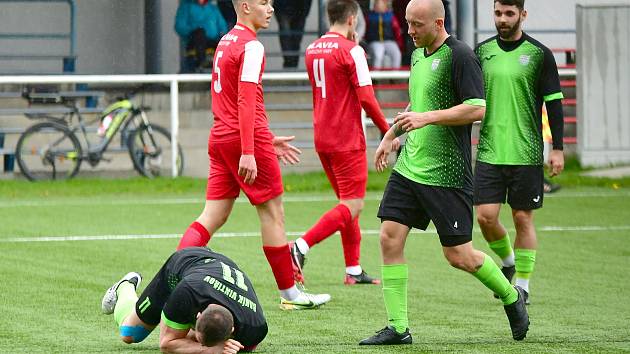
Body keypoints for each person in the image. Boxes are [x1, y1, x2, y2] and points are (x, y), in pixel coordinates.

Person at [359, 0, 529, 345]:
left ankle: (512, 297)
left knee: (458, 256)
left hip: (446, 175)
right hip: (410, 167)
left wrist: (427, 118)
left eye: (416, 25)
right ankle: (398, 327)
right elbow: (416, 105)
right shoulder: (418, 54)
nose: (409, 32)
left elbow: (477, 108)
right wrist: (391, 137)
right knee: (389, 237)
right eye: (407, 23)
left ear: (438, 23)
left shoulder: (461, 55)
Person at [176, 0, 331, 311]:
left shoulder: (225, 40)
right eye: (264, 2)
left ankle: (173, 276)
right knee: (274, 215)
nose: (271, 8)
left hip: (221, 136)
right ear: (245, 6)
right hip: (244, 141)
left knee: (213, 215)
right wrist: (250, 148)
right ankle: (291, 295)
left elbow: (229, 97)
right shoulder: (252, 45)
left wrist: (261, 139)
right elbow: (246, 99)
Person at [292, 0, 400, 286]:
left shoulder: (312, 49)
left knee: (346, 204)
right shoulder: (352, 51)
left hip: (322, 136)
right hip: (346, 136)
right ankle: (300, 247)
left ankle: (353, 270)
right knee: (352, 205)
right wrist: (388, 132)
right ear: (352, 19)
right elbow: (366, 97)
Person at [474, 0, 565, 305]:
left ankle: (523, 286)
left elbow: (554, 103)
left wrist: (559, 150)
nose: (502, 19)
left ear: (522, 15)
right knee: (485, 218)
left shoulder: (540, 55)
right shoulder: (481, 52)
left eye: (509, 13)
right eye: (498, 13)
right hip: (489, 151)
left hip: (526, 153)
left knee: (522, 218)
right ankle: (509, 261)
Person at [101, 247, 266, 353]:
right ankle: (125, 286)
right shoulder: (186, 294)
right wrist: (211, 350)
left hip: (218, 270)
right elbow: (166, 344)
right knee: (130, 334)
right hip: (184, 265)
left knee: (192, 339)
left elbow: (245, 348)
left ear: (232, 330)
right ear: (198, 315)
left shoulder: (255, 327)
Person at [175, 0, 229, 73]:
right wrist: (194, 31)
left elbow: (223, 27)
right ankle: (202, 63)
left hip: (212, 43)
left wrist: (222, 35)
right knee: (199, 34)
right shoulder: (186, 6)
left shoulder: (212, 8)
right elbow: (180, 26)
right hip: (194, 43)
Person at [274, 0, 313, 68]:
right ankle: (290, 65)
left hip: (300, 9)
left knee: (296, 39)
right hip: (283, 8)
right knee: (286, 36)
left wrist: (306, 11)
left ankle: (292, 65)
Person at [365, 0, 403, 69]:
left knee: (396, 53)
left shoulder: (390, 16)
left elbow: (397, 31)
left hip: (389, 41)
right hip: (375, 42)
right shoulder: (369, 16)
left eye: (381, 4)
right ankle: (376, 77)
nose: (378, 6)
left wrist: (399, 43)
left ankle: (395, 76)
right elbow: (365, 30)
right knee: (378, 53)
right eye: (377, 4)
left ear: (385, 6)